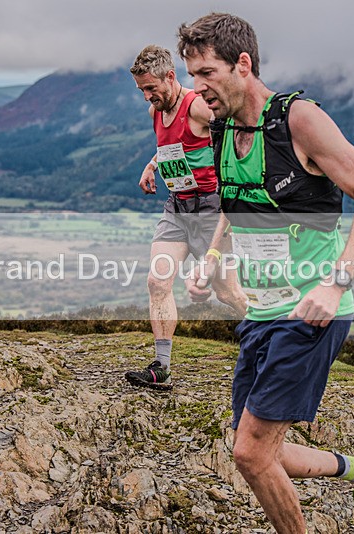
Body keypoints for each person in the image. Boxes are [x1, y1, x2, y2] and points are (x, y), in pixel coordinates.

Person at [177, 13, 354, 534]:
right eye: (192, 75)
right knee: (257, 449)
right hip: (262, 311)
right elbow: (234, 207)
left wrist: (335, 282)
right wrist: (212, 261)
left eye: (207, 72)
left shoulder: (298, 120)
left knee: (250, 455)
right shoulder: (223, 127)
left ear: (243, 64)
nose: (198, 87)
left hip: (311, 312)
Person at [125, 45, 247, 391]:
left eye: (152, 88)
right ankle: (161, 367)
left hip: (212, 211)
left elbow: (234, 130)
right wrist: (153, 164)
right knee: (158, 282)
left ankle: (276, 343)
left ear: (170, 76)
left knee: (228, 294)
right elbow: (171, 146)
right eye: (142, 91)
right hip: (177, 208)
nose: (148, 97)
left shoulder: (195, 105)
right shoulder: (156, 111)